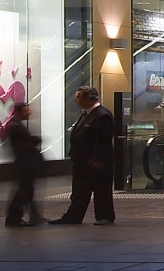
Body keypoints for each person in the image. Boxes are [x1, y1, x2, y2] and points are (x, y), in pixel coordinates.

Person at [51, 86, 117, 225]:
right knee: (80, 191)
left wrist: (98, 159)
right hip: (83, 161)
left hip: (95, 162)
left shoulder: (102, 115)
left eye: (78, 96)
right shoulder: (87, 114)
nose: (75, 99)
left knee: (101, 190)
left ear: (88, 98)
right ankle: (74, 216)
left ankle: (104, 216)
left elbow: (103, 140)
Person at [3, 100, 44, 226]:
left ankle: (33, 215)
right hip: (24, 164)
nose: (29, 113)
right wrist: (36, 139)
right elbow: (28, 141)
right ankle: (14, 217)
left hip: (25, 164)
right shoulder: (15, 126)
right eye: (26, 110)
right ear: (19, 112)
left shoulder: (16, 125)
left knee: (26, 190)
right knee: (24, 191)